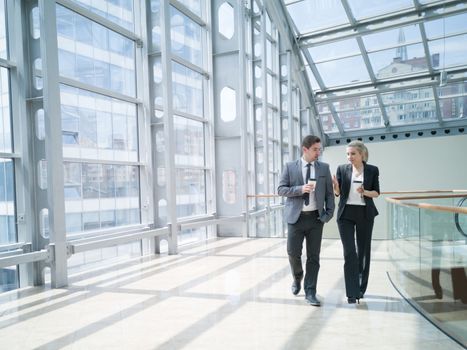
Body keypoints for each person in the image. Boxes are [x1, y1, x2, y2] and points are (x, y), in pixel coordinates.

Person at [278, 135, 335, 306]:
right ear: (305, 149)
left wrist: (328, 214)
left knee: (314, 257)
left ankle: (310, 291)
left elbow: (329, 194)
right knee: (293, 253)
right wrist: (300, 189)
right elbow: (281, 189)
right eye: (315, 149)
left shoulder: (324, 168)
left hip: (316, 220)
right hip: (295, 219)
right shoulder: (290, 167)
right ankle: (297, 277)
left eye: (320, 149)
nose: (318, 152)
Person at [332, 140, 380, 304]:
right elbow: (339, 193)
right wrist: (336, 188)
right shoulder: (342, 169)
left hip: (365, 214)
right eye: (347, 154)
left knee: (363, 252)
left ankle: (360, 288)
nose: (349, 157)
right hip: (346, 214)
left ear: (362, 154)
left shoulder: (372, 170)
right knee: (349, 252)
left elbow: (376, 193)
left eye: (353, 154)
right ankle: (352, 293)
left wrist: (364, 191)